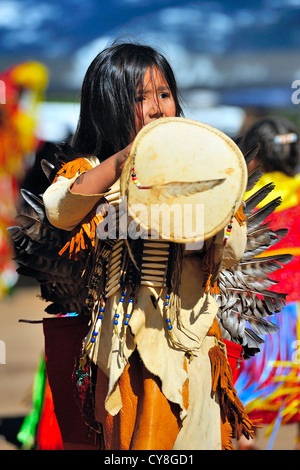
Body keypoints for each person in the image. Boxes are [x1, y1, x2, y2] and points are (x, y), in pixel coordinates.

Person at [41, 41, 253, 450]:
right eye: (140, 98)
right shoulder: (91, 174)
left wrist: (206, 220)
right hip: (121, 346)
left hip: (189, 341)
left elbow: (232, 249)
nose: (157, 108)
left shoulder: (202, 173)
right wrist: (123, 163)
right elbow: (60, 209)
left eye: (164, 94)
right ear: (108, 107)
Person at [235, 116, 300, 450]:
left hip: (263, 321)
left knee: (246, 412)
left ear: (254, 158)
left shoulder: (243, 201)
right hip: (297, 325)